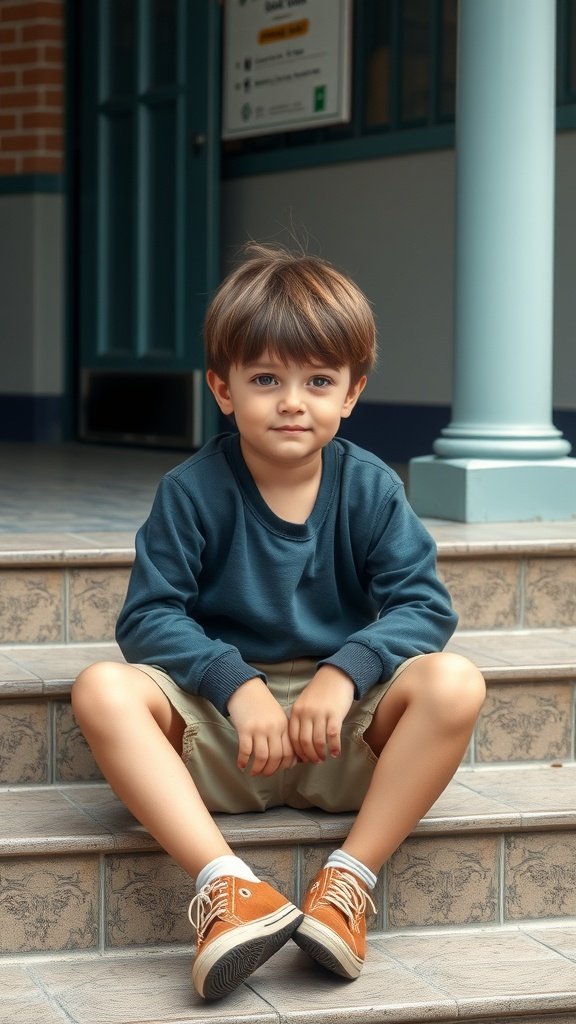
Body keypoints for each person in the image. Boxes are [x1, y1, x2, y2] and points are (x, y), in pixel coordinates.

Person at [72, 244, 485, 1002]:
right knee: (102, 689)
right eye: (266, 379)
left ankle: (346, 885)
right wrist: (234, 684)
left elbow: (425, 605)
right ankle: (231, 891)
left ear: (352, 393)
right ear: (222, 389)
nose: (292, 401)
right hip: (227, 742)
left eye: (318, 381)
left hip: (341, 737)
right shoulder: (191, 491)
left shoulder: (370, 489)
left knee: (454, 683)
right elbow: (149, 616)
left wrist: (347, 669)